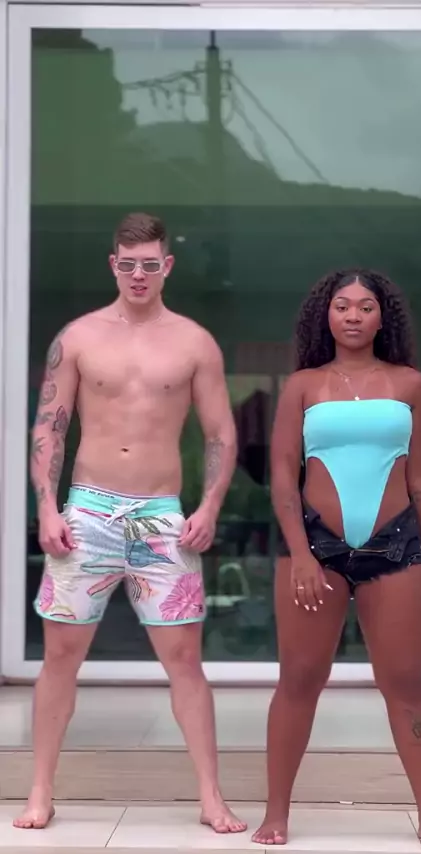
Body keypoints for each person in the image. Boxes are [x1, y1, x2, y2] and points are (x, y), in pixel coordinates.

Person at [15, 211, 246, 835]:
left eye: (149, 264)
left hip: (159, 516)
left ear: (166, 266)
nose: (138, 274)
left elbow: (221, 433)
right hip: (87, 511)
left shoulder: (194, 342)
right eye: (127, 264)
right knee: (61, 656)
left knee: (185, 659)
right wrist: (46, 506)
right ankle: (40, 792)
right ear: (112, 265)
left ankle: (211, 797)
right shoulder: (79, 337)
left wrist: (208, 506)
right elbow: (50, 427)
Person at [253, 269, 421, 850]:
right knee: (299, 680)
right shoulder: (303, 385)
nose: (352, 315)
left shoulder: (410, 383)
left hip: (396, 546)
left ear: (381, 317)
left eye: (365, 306)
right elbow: (282, 475)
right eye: (342, 305)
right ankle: (276, 813)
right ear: (325, 315)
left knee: (406, 684)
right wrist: (300, 553)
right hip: (316, 548)